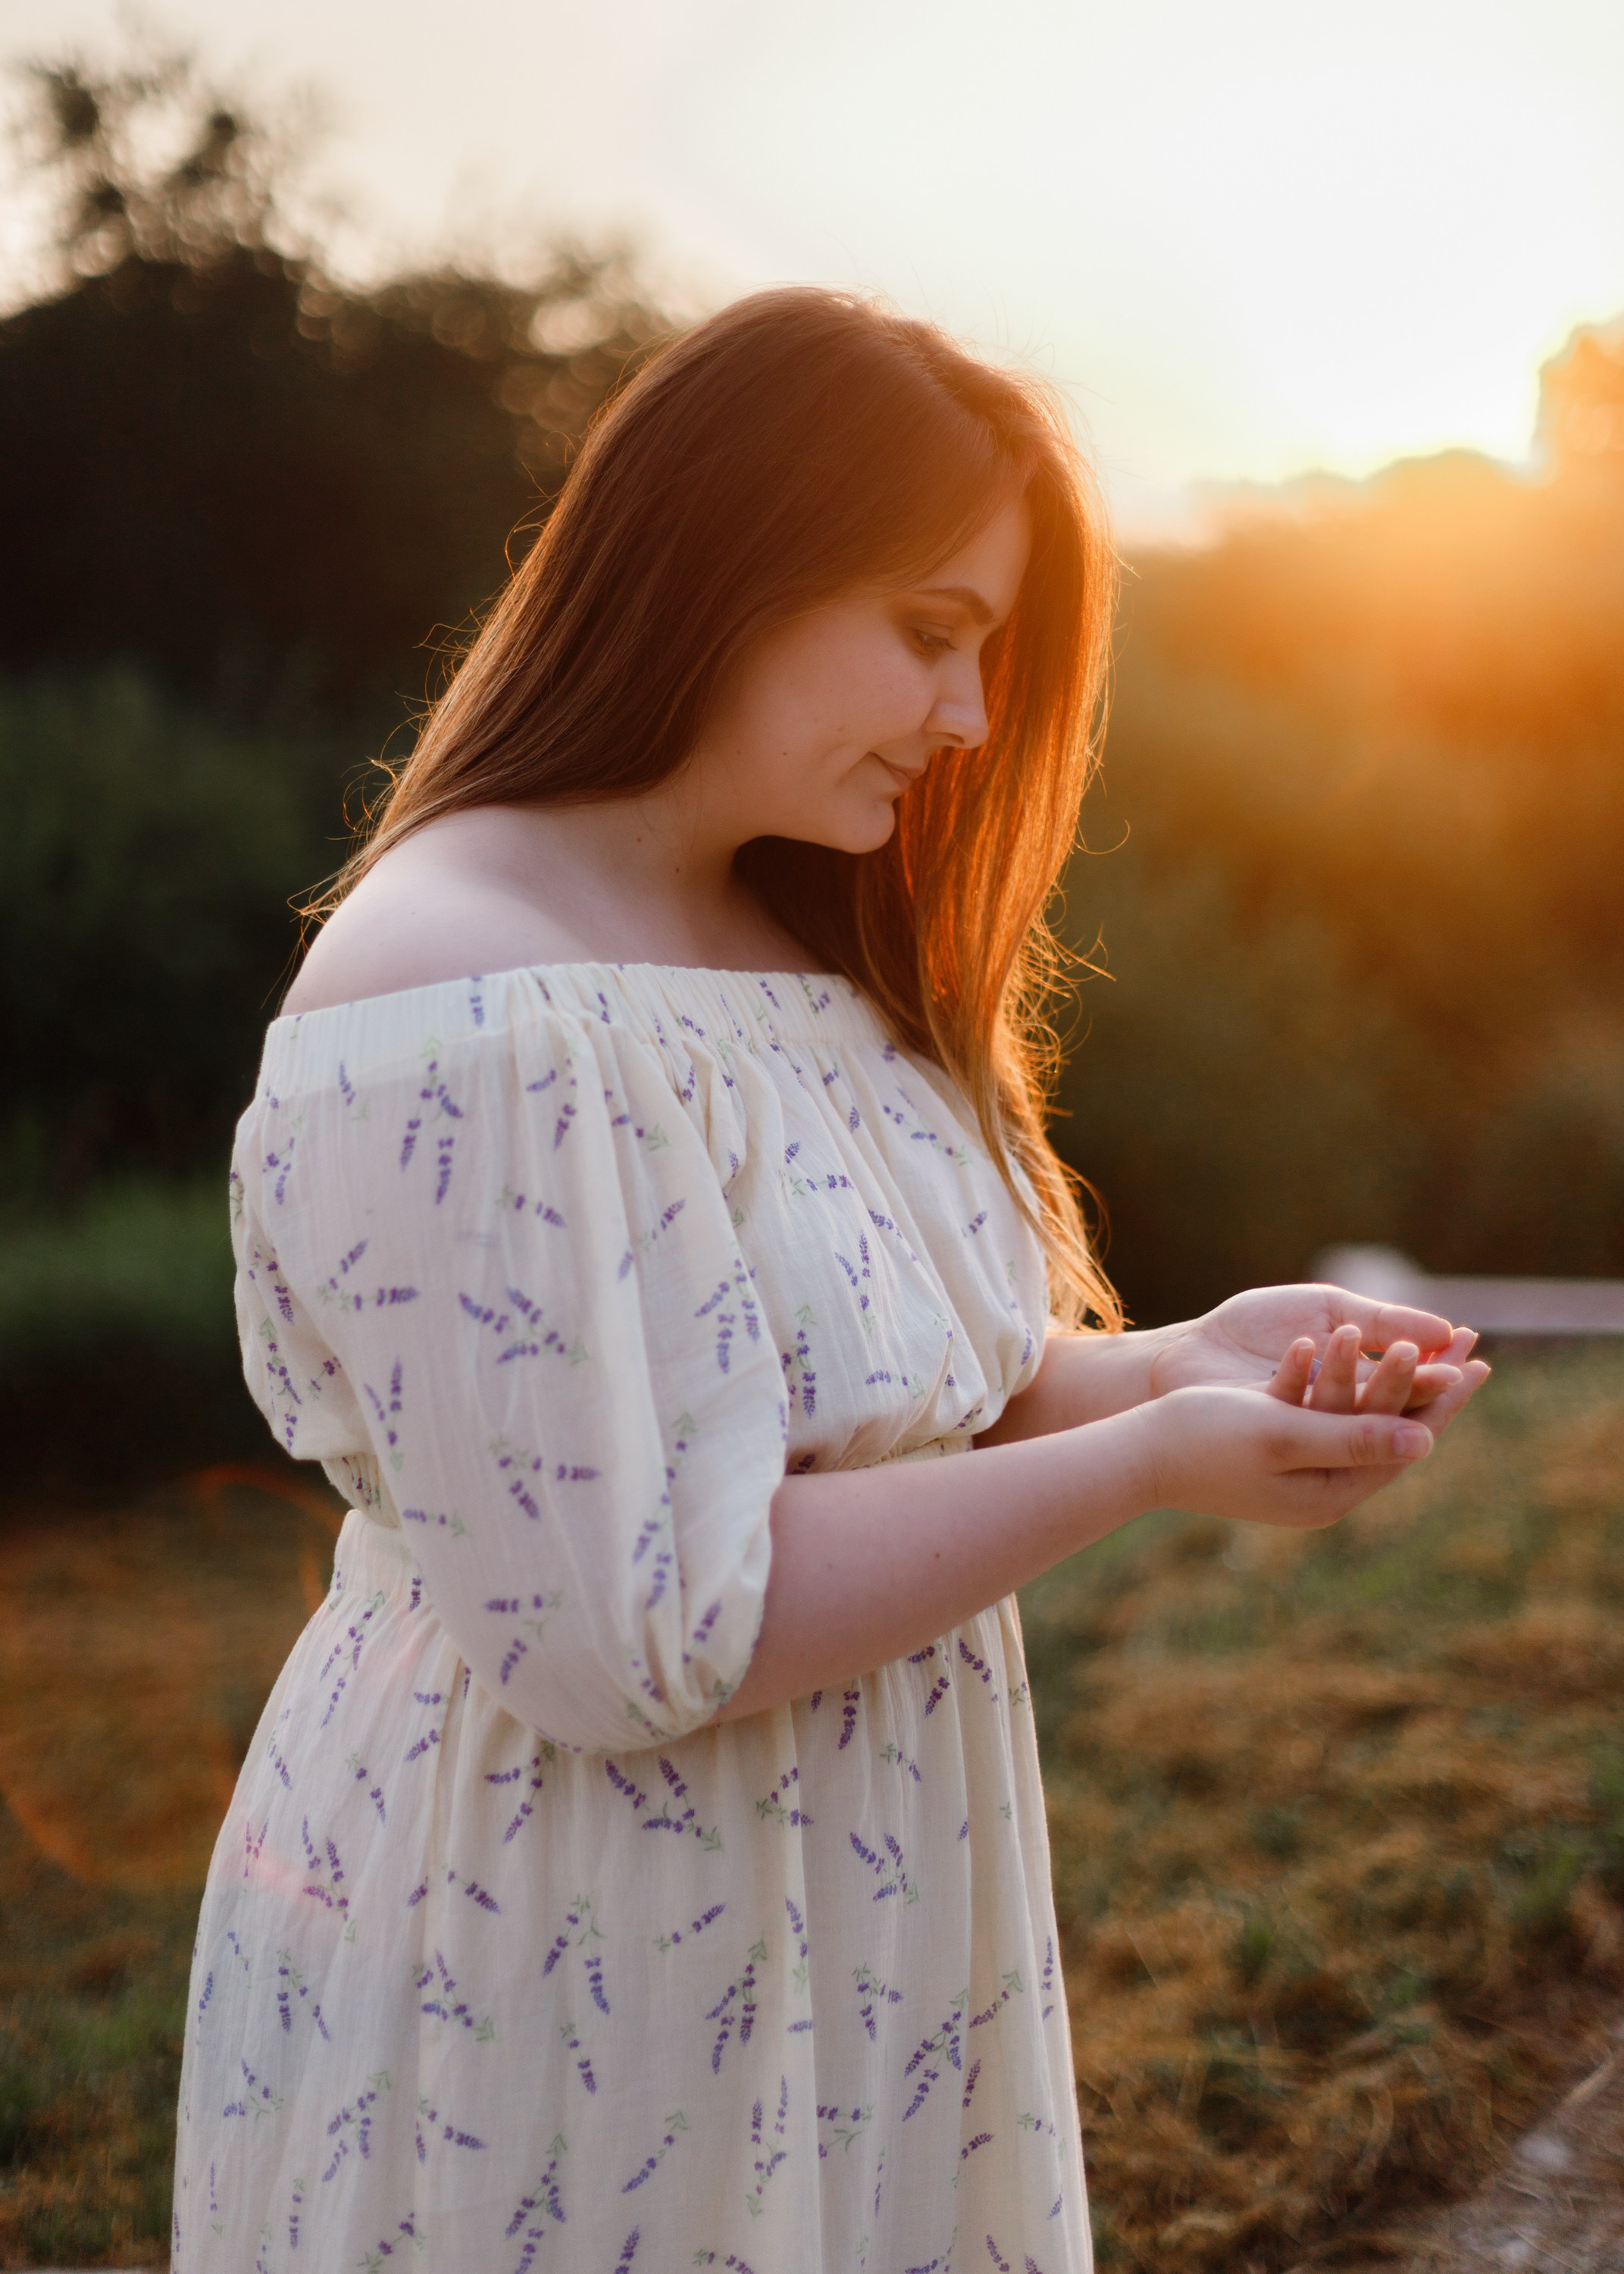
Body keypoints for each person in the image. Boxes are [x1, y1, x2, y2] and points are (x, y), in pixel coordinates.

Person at [172, 287, 1486, 2273]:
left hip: (859, 1929)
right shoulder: (454, 992)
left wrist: (1181, 1369)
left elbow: (880, 1404)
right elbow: (641, 1635)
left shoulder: (800, 940)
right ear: (729, 565)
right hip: (566, 1950)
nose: (967, 721)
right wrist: (1143, 1469)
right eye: (934, 636)